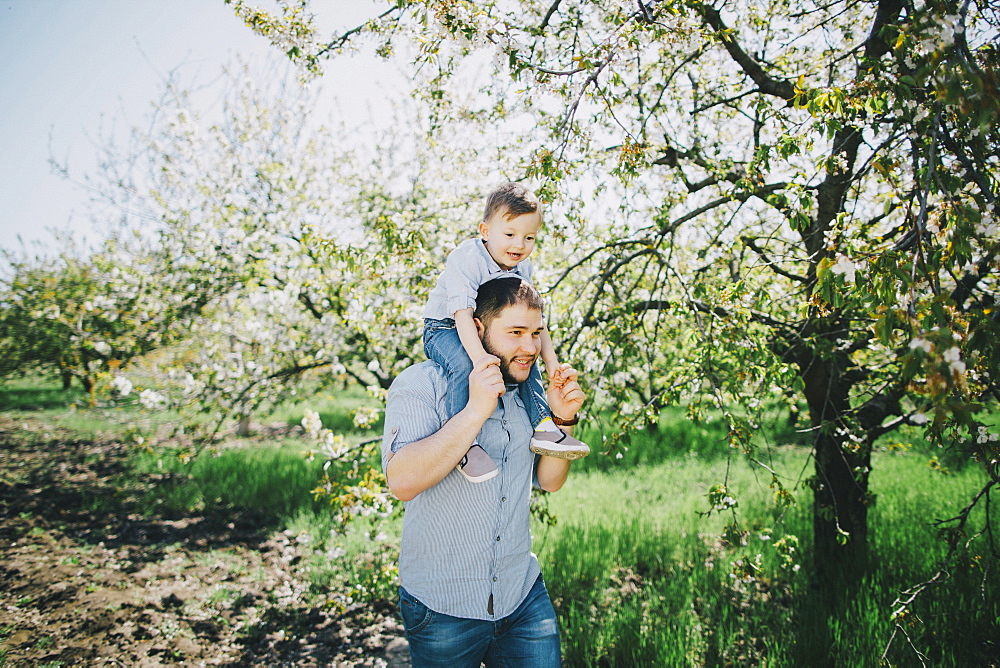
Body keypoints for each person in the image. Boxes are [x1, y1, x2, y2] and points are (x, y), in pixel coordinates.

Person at [382, 277, 586, 667]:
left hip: (521, 595)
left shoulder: (530, 396)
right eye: (515, 333)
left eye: (536, 334)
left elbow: (550, 481)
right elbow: (402, 482)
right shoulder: (421, 385)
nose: (529, 348)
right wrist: (475, 410)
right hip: (443, 606)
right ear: (477, 328)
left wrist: (562, 417)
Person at [422, 182, 589, 483]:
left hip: (484, 327)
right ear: (485, 231)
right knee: (463, 365)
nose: (520, 245)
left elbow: (536, 322)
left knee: (526, 357)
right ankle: (465, 444)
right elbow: (461, 313)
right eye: (510, 235)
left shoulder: (523, 269)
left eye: (529, 237)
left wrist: (552, 363)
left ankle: (545, 428)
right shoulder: (468, 259)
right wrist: (480, 359)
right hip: (445, 326)